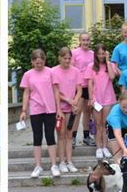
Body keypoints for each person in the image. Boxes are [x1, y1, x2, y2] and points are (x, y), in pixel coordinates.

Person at [20, 49, 62, 177]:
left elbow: (56, 91)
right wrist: (23, 110)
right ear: (32, 62)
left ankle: (54, 165)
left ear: (45, 61)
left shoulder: (50, 72)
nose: (39, 65)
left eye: (41, 63)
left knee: (50, 136)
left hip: (49, 109)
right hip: (35, 109)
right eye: (37, 63)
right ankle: (38, 166)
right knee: (37, 137)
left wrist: (58, 108)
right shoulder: (28, 75)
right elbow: (26, 93)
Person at [52, 47, 83, 174]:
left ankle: (69, 161)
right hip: (59, 108)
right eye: (65, 58)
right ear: (60, 58)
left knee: (70, 134)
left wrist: (75, 101)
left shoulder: (76, 71)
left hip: (72, 108)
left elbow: (79, 89)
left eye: (69, 58)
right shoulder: (54, 71)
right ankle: (62, 162)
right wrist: (68, 100)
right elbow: (55, 92)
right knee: (61, 134)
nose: (67, 61)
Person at [84, 43, 118, 159]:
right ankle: (98, 147)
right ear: (95, 54)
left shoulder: (110, 65)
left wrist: (108, 61)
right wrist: (91, 98)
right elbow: (90, 83)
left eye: (103, 53)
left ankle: (105, 146)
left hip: (108, 98)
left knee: (105, 124)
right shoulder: (91, 66)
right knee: (98, 124)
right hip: (96, 98)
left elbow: (113, 77)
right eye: (99, 54)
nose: (101, 56)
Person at [71, 32, 94, 147]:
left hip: (89, 86)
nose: (85, 42)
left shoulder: (92, 54)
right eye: (83, 40)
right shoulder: (74, 53)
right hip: (78, 86)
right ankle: (73, 137)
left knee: (87, 113)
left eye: (87, 40)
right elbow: (71, 69)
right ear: (80, 41)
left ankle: (86, 136)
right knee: (77, 112)